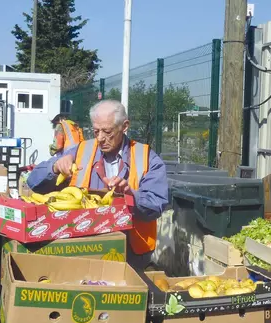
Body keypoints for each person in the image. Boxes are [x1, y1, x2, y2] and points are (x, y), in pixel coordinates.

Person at [27, 100, 169, 270]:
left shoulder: (147, 158)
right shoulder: (80, 151)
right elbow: (33, 181)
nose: (100, 138)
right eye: (96, 131)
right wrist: (55, 167)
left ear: (124, 126)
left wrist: (130, 194)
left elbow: (156, 205)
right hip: (83, 249)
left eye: (107, 131)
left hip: (130, 255)